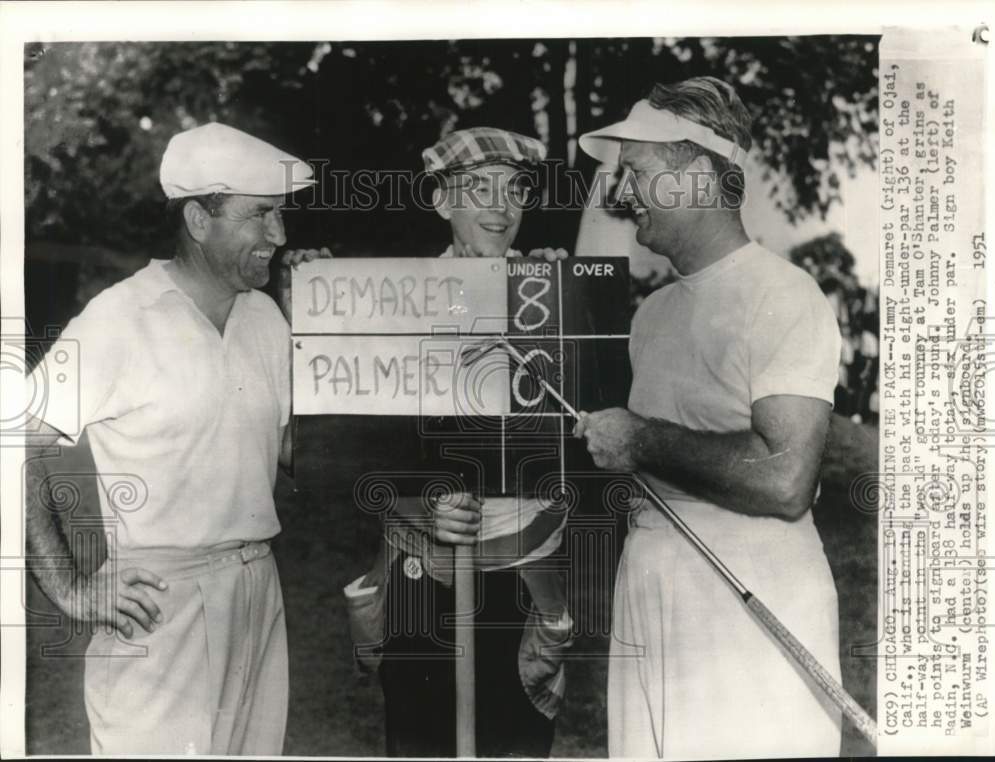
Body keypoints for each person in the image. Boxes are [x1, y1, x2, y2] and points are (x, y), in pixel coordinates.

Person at [24, 122, 325, 755]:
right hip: (160, 604)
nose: (280, 235)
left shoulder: (267, 316)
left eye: (281, 214)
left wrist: (316, 330)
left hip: (257, 590)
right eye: (261, 215)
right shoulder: (119, 318)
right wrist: (69, 587)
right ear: (198, 219)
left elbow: (290, 456)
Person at [573, 77, 845, 758]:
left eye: (636, 171)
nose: (621, 193)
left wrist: (641, 440)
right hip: (649, 586)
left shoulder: (784, 294)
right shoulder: (651, 314)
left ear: (696, 175)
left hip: (750, 600)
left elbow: (786, 480)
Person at [348, 127, 572, 757]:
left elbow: (587, 439)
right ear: (442, 201)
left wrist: (569, 300)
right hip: (423, 570)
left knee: (516, 740)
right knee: (419, 738)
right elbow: (360, 443)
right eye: (479, 189)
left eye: (515, 189)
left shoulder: (552, 290)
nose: (501, 207)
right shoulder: (396, 300)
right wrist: (419, 504)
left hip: (521, 569)